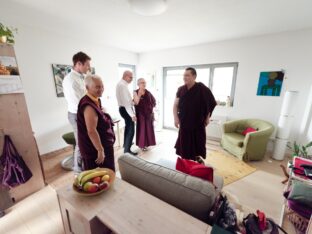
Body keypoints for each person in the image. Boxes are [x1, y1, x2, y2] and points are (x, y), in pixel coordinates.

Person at [173, 67, 217, 162]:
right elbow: (175, 105)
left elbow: (211, 102)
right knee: (185, 142)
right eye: (184, 75)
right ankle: (185, 160)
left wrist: (207, 117)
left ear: (194, 76)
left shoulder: (202, 89)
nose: (184, 77)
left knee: (198, 142)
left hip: (198, 122)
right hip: (184, 122)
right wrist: (176, 118)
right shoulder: (180, 89)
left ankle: (197, 158)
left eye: (187, 75)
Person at [77, 75, 116, 171]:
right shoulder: (88, 105)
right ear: (87, 87)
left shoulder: (95, 99)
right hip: (94, 149)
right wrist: (100, 149)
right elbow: (91, 130)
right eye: (97, 87)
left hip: (102, 143)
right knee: (100, 176)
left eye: (102, 86)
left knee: (106, 176)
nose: (101, 89)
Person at [63, 52, 91, 173]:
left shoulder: (82, 77)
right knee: (81, 143)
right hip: (77, 115)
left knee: (86, 141)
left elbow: (87, 95)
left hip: (83, 112)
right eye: (87, 65)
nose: (88, 68)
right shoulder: (70, 80)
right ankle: (78, 171)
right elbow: (79, 101)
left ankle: (87, 165)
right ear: (78, 64)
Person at [116, 71, 137, 155]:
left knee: (128, 127)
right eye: (130, 77)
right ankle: (127, 151)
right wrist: (132, 115)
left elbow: (127, 100)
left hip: (123, 109)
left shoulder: (121, 84)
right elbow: (126, 102)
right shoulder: (122, 85)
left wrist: (132, 102)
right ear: (125, 76)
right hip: (126, 109)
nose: (132, 79)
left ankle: (126, 144)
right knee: (131, 130)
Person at [133, 78, 156, 151]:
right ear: (138, 84)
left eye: (145, 82)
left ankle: (147, 144)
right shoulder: (135, 92)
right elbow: (136, 103)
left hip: (148, 114)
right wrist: (139, 95)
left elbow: (153, 101)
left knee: (148, 129)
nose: (144, 84)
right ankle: (142, 145)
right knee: (142, 129)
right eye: (142, 82)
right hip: (140, 115)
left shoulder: (148, 92)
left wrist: (151, 110)